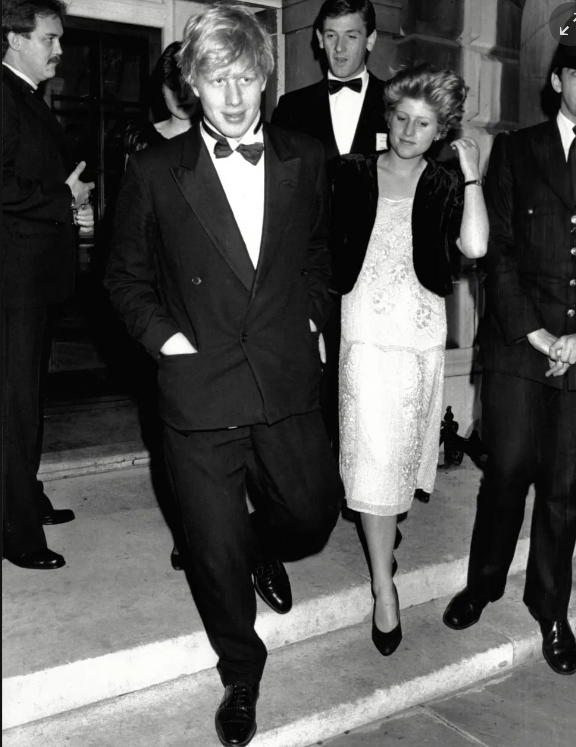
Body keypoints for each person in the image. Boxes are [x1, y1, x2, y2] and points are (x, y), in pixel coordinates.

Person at [104, 5, 343, 745]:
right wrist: (167, 341)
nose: (233, 97)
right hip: (200, 386)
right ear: (192, 85)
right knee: (212, 549)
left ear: (265, 77)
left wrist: (312, 318)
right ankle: (241, 672)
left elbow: (319, 256)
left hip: (281, 376)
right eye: (216, 80)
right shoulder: (155, 170)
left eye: (245, 78)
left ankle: (258, 542)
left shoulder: (306, 158)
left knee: (312, 514)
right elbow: (123, 278)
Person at [443, 6, 576, 678]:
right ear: (557, 79)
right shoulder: (515, 150)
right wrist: (539, 334)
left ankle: (551, 607)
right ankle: (483, 584)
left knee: (565, 487)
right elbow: (497, 255)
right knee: (506, 470)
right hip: (518, 344)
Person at [331, 64, 488, 656]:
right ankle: (383, 586)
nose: (407, 131)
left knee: (396, 457)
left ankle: (382, 541)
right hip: (364, 332)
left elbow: (475, 246)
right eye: (401, 118)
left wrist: (471, 174)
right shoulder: (351, 172)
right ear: (389, 115)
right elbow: (322, 249)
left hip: (419, 333)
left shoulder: (445, 183)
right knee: (371, 459)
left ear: (440, 130)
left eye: (423, 124)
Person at [271, 0, 388, 455]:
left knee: (371, 401)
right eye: (331, 35)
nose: (340, 48)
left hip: (378, 279)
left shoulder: (398, 105)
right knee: (313, 397)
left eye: (352, 36)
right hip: (312, 279)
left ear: (370, 39)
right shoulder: (291, 108)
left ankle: (367, 492)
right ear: (318, 38)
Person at [2, 0, 94, 570]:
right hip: (13, 283)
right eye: (49, 39)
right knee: (13, 408)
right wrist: (64, 198)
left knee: (28, 401)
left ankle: (25, 498)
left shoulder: (27, 97)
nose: (59, 50)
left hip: (33, 280)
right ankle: (16, 534)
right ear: (14, 39)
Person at [123, 40, 202, 573]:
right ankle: (187, 529)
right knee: (169, 430)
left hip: (214, 304)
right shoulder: (141, 143)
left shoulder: (225, 141)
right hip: (160, 304)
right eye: (169, 84)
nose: (177, 95)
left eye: (184, 83)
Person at [123, 40, 201, 163]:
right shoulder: (141, 139)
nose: (182, 96)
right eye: (173, 87)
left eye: (188, 87)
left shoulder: (217, 140)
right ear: (161, 88)